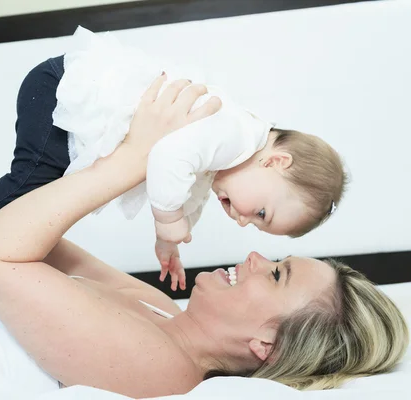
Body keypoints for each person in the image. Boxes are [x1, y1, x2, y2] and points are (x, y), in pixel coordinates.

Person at [0, 71, 407, 398]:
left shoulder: (160, 369)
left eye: (277, 273)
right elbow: (22, 240)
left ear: (265, 346)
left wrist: (136, 156)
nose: (254, 253)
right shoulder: (161, 313)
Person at [52, 27, 347, 291]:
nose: (243, 222)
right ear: (275, 162)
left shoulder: (226, 160)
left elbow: (191, 195)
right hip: (69, 94)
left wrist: (168, 239)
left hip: (71, 110)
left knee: (41, 194)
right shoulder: (237, 134)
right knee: (27, 189)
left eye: (256, 224)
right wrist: (168, 220)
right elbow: (169, 157)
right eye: (260, 214)